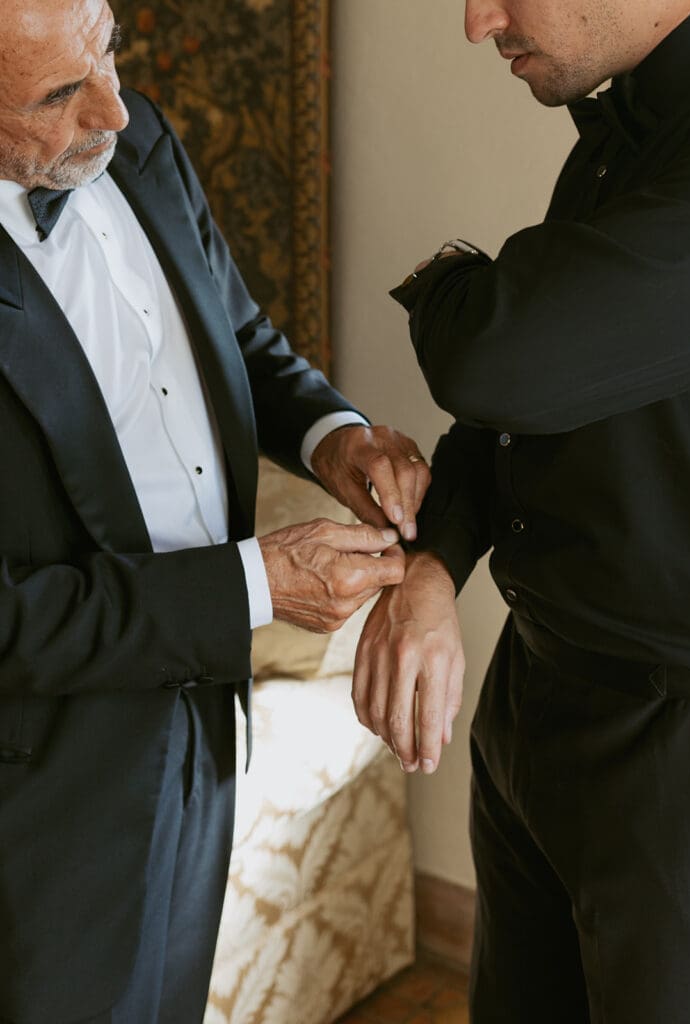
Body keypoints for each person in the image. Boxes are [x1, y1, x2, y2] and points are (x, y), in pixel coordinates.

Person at [0, 1, 434, 1022]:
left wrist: (334, 435)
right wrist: (254, 585)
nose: (115, 109)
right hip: (47, 779)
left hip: (201, 715)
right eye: (60, 93)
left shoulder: (139, 134)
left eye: (108, 52)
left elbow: (235, 334)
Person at [353, 1, 690, 1021]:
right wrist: (431, 568)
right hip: (533, 697)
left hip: (670, 755)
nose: (478, 21)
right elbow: (521, 412)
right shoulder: (619, 128)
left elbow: (492, 357)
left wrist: (446, 274)